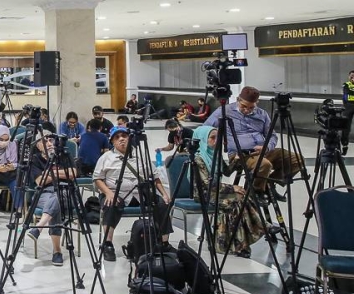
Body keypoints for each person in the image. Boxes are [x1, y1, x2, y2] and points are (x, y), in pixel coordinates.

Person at [203, 86, 304, 194]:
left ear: (257, 103)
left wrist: (267, 147)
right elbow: (205, 129)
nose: (247, 110)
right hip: (242, 154)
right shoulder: (224, 111)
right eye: (244, 106)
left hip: (264, 151)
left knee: (297, 160)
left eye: (251, 107)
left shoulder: (262, 114)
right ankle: (257, 191)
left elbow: (272, 135)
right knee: (264, 165)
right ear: (238, 100)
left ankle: (268, 183)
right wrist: (216, 138)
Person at [94, 126, 174, 262]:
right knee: (110, 204)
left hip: (139, 192)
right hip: (115, 193)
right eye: (117, 137)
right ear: (112, 141)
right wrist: (107, 192)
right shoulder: (106, 158)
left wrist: (164, 194)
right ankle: (108, 244)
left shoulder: (140, 155)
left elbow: (155, 176)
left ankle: (164, 243)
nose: (121, 139)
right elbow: (97, 179)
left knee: (162, 204)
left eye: (124, 136)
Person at [189, 126, 265, 257]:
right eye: (212, 137)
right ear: (202, 139)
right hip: (204, 193)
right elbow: (207, 184)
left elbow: (226, 172)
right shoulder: (198, 159)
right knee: (234, 202)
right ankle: (238, 240)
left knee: (243, 196)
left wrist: (236, 161)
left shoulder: (215, 155)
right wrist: (232, 188)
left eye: (218, 137)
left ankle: (245, 240)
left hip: (218, 190)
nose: (216, 140)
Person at [21, 134, 70, 266]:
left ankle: (39, 227)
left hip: (67, 193)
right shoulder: (35, 159)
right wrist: (61, 174)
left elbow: (73, 173)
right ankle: (57, 251)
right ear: (38, 145)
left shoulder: (63, 155)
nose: (49, 143)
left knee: (58, 197)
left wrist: (49, 174)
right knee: (55, 202)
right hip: (44, 194)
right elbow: (40, 181)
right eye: (44, 141)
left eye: (51, 140)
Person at [343, 70, 354, 155]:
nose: (352, 78)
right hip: (349, 106)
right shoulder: (346, 84)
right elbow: (347, 93)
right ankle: (344, 145)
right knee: (346, 126)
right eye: (351, 76)